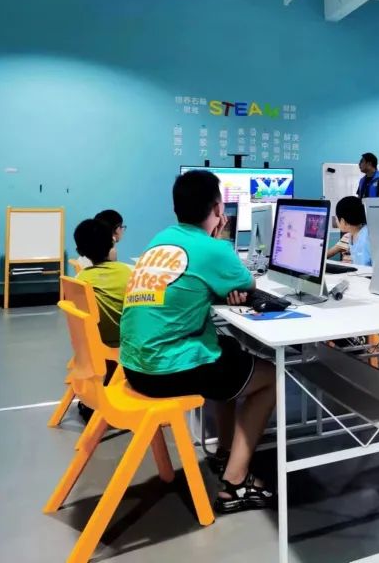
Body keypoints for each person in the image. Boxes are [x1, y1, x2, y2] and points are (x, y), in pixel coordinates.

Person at [119, 170, 276, 514]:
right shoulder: (213, 248)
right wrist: (218, 244)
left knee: (229, 349)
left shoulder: (160, 239)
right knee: (271, 379)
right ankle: (235, 484)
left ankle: (225, 452)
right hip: (166, 369)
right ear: (219, 209)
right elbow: (247, 284)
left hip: (134, 366)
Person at [72, 218, 132, 423]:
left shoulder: (81, 280)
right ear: (111, 243)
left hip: (94, 346)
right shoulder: (127, 272)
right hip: (123, 345)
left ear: (80, 251)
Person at [325, 196, 371, 266]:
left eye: (336, 218)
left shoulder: (367, 237)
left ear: (343, 221)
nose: (336, 221)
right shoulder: (351, 235)